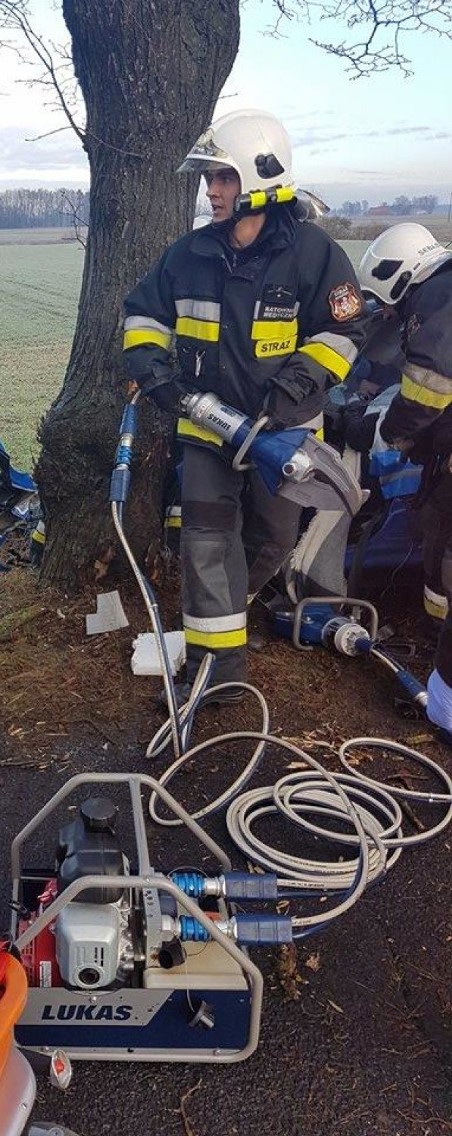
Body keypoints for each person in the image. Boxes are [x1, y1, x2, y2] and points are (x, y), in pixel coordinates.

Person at [122, 108, 367, 703]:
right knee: (206, 544)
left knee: (272, 539)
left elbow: (343, 336)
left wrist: (287, 398)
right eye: (209, 179)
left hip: (280, 437)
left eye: (223, 177)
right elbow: (142, 316)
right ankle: (218, 675)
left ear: (261, 175)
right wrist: (156, 374)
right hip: (206, 430)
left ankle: (230, 619)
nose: (212, 190)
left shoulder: (313, 255)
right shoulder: (188, 254)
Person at [355, 222, 452, 731]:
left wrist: (387, 434)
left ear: (397, 275)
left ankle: (445, 693)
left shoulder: (440, 295)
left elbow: (427, 389)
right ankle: (433, 642)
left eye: (384, 299)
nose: (388, 312)